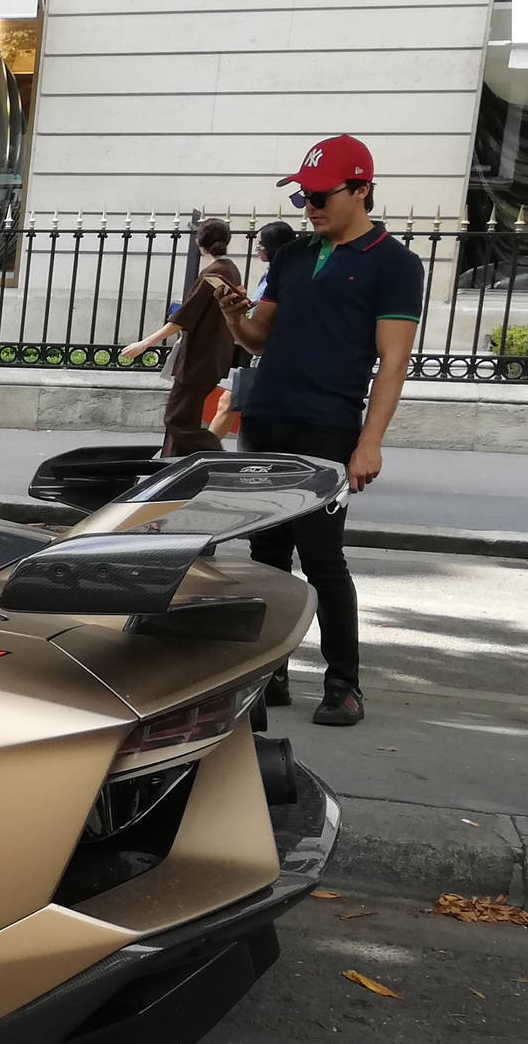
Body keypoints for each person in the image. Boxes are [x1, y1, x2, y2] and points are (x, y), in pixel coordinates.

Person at [228, 136, 422, 728]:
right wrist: (234, 314)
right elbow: (259, 340)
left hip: (327, 429)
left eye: (319, 196)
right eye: (302, 197)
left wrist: (369, 442)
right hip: (264, 420)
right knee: (265, 558)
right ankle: (271, 675)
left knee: (322, 559)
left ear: (361, 189)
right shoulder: (291, 257)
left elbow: (393, 362)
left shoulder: (395, 264)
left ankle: (343, 682)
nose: (308, 207)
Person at [117, 217, 244, 454]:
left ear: (200, 244)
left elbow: (184, 317)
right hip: (214, 356)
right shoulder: (231, 269)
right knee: (185, 416)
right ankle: (171, 466)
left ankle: (212, 452)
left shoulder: (213, 272)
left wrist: (144, 343)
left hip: (199, 357)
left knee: (176, 419)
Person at [210, 218, 294, 443]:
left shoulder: (285, 275)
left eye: (262, 243)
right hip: (262, 351)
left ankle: (201, 453)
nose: (258, 249)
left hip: (270, 355)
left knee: (229, 403)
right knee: (229, 403)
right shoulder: (272, 274)